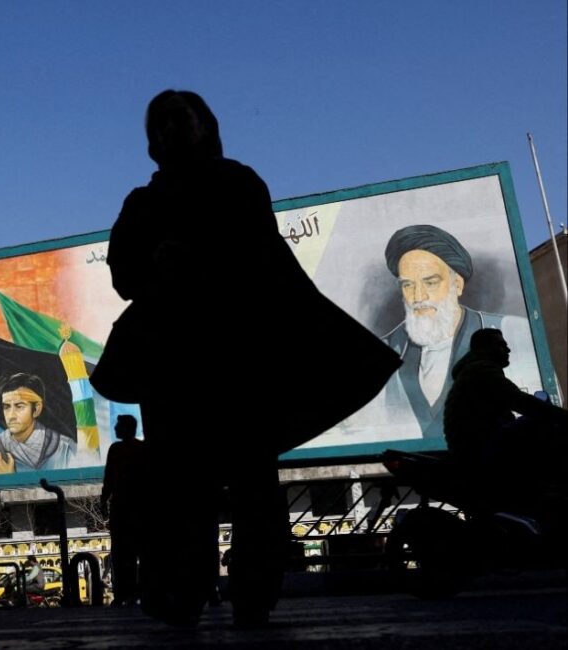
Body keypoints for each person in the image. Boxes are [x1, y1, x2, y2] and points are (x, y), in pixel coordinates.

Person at [100, 90, 398, 628]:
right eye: (160, 123)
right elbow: (123, 274)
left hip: (241, 359)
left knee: (252, 480)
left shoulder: (237, 182)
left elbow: (263, 260)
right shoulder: (140, 205)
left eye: (180, 119)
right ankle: (184, 593)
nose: (170, 130)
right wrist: (156, 266)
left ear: (207, 126)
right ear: (151, 142)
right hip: (172, 364)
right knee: (182, 488)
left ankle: (254, 592)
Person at [379, 224, 538, 439]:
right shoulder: (382, 352)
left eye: (431, 282)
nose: (418, 296)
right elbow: (524, 403)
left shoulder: (517, 332)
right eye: (408, 285)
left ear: (458, 284)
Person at [443, 328, 567, 480]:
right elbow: (521, 401)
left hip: (473, 453)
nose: (508, 349)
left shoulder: (471, 370)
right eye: (501, 345)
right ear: (484, 348)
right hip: (481, 454)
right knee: (542, 423)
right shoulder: (480, 371)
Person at [0, 373, 77, 473]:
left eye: (19, 406)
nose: (11, 416)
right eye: (6, 407)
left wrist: (9, 480)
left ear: (37, 409)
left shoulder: (65, 449)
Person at [100, 414, 145, 606]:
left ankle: (123, 594)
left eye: (118, 425)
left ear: (126, 428)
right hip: (140, 508)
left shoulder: (116, 450)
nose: (115, 428)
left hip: (123, 508)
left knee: (121, 554)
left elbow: (109, 478)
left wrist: (103, 500)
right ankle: (140, 593)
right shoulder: (142, 449)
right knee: (140, 552)